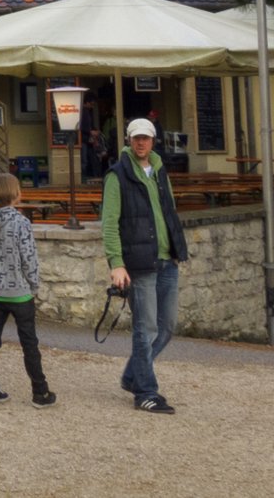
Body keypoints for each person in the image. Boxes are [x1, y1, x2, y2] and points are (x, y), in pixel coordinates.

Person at [102, 117, 188, 414]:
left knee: (166, 328)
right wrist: (116, 263)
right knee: (145, 328)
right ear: (128, 139)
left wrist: (177, 248)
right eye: (136, 138)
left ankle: (132, 376)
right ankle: (146, 392)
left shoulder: (160, 172)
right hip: (139, 264)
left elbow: (170, 212)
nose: (141, 142)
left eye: (146, 138)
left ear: (153, 141)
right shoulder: (117, 175)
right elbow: (109, 223)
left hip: (166, 260)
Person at [0, 171, 55, 407]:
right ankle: (39, 391)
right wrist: (34, 283)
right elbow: (28, 258)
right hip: (20, 291)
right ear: (16, 193)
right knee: (29, 342)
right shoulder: (21, 223)